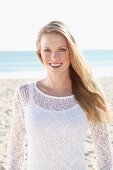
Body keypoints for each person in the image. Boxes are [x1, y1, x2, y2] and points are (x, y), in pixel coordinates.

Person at [7, 21, 113, 170]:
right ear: (40, 53)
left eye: (62, 49)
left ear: (71, 52)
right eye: (47, 50)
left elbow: (105, 154)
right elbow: (16, 148)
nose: (54, 56)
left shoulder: (89, 95)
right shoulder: (25, 94)